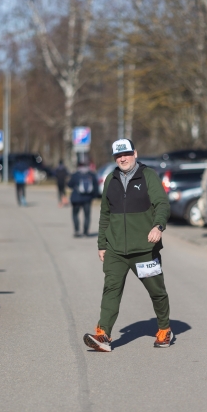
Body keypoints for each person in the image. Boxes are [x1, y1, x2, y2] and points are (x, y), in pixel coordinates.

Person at [83, 138, 172, 352]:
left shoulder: (148, 176)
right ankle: (103, 334)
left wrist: (158, 226)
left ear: (135, 153)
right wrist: (102, 244)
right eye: (118, 155)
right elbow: (105, 214)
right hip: (115, 250)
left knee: (157, 291)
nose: (123, 159)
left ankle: (164, 329)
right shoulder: (110, 179)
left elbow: (162, 204)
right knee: (111, 290)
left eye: (126, 154)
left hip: (144, 249)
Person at [68, 164, 98, 237]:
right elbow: (96, 187)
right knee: (87, 216)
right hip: (87, 199)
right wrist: (93, 197)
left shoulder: (75, 175)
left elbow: (69, 184)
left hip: (76, 198)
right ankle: (86, 232)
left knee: (75, 214)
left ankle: (77, 231)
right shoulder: (91, 175)